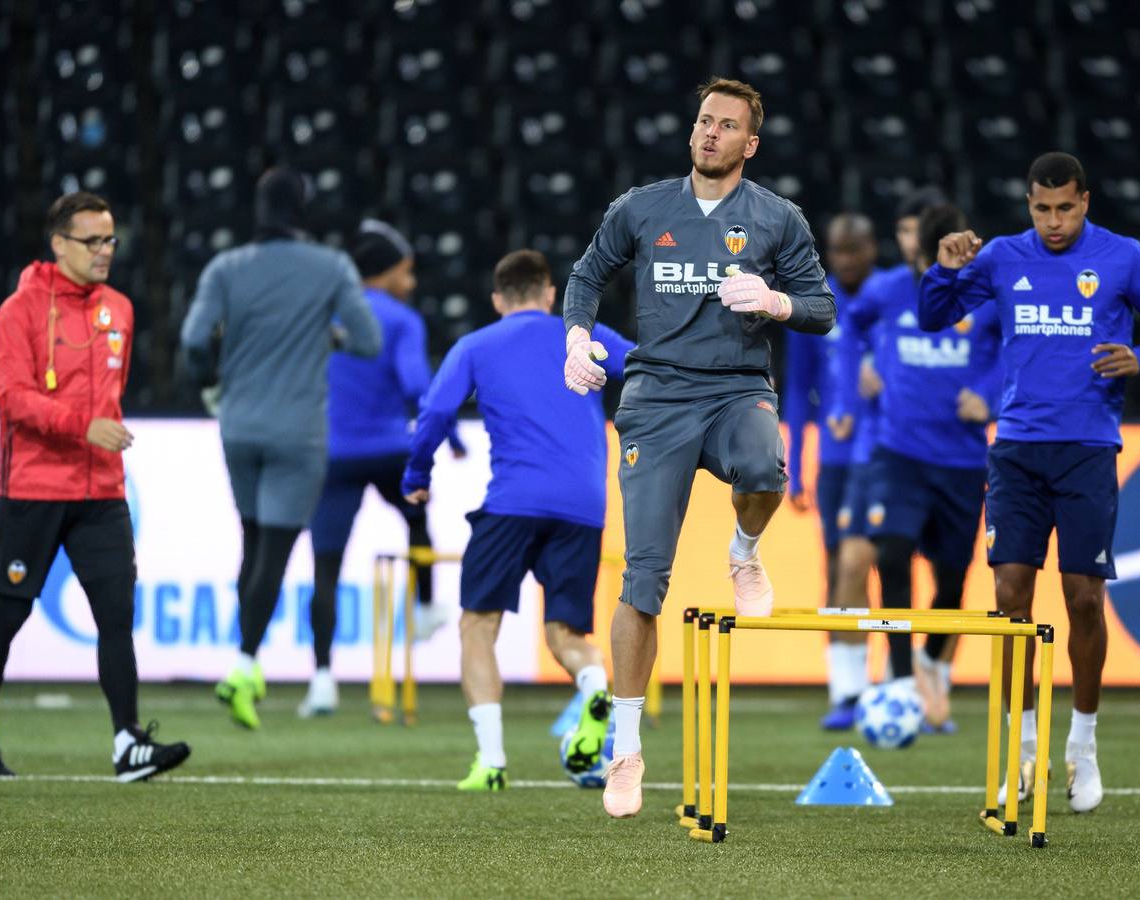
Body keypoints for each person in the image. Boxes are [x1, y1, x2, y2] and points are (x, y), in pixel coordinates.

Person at [562, 77, 835, 818]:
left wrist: (777, 302)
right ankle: (626, 751)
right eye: (703, 121)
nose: (710, 133)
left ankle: (744, 553)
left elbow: (822, 310)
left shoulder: (778, 219)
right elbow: (586, 275)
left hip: (738, 387)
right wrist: (578, 338)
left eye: (727, 125)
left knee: (765, 468)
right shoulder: (644, 207)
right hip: (656, 400)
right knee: (643, 581)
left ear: (750, 143)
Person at [920, 151, 1140, 813]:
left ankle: (1084, 745)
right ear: (1028, 204)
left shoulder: (1123, 257)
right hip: (1015, 449)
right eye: (1042, 209)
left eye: (1065, 207)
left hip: (1087, 450)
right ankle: (1023, 749)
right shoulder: (1004, 256)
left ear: (1086, 201)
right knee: (1011, 598)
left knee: (1084, 601)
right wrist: (943, 268)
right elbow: (934, 316)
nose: (1053, 221)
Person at [0, 191, 190, 782]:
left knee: (117, 617)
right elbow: (14, 400)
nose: (105, 251)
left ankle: (127, 742)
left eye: (111, 239)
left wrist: (97, 439)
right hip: (33, 491)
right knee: (8, 614)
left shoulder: (121, 310)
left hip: (102, 494)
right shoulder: (18, 311)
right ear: (58, 243)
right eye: (93, 241)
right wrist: (83, 427)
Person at [401, 249, 633, 791]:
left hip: (512, 503)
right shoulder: (587, 334)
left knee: (477, 627)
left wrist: (418, 473)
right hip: (583, 505)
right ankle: (594, 684)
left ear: (497, 299)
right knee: (566, 634)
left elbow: (434, 412)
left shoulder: (477, 345)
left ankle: (491, 762)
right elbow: (650, 368)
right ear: (551, 295)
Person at [180, 167, 381, 730]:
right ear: (304, 209)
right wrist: (330, 334)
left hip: (237, 425)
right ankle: (244, 666)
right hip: (297, 432)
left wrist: (211, 378)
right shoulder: (331, 267)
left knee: (251, 543)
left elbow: (194, 341)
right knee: (275, 552)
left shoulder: (226, 267)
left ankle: (245, 659)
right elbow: (368, 342)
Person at [844, 202, 1003, 731]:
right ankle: (901, 678)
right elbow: (850, 326)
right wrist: (862, 368)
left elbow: (1017, 348)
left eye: (922, 233)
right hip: (900, 450)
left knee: (953, 576)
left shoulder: (983, 291)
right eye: (909, 233)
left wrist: (988, 394)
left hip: (961, 456)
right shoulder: (888, 288)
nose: (913, 242)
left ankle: (935, 662)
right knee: (890, 552)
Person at [300, 219, 465, 718]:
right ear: (386, 272)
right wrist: (452, 436)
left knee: (325, 567)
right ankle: (427, 607)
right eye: (406, 271)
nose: (411, 282)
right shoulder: (400, 319)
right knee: (417, 517)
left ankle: (323, 679)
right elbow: (417, 384)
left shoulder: (326, 312)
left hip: (332, 453)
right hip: (390, 447)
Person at [782, 212, 883, 730]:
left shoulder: (890, 299)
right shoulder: (814, 305)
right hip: (838, 462)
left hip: (888, 454)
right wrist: (796, 467)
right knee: (837, 565)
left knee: (888, 565)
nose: (846, 260)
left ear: (873, 248)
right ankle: (846, 690)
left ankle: (901, 682)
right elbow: (798, 390)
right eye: (837, 251)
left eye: (855, 250)